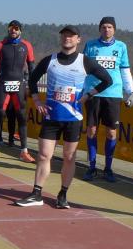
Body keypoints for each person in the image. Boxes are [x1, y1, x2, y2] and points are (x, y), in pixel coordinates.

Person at [14, 26, 112, 208]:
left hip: (73, 119)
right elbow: (32, 79)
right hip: (51, 117)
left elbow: (107, 80)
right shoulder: (50, 60)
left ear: (78, 40)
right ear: (61, 39)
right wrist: (36, 100)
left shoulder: (85, 61)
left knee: (68, 157)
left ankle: (62, 195)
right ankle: (36, 193)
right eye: (64, 35)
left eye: (71, 36)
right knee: (44, 155)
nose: (67, 38)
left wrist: (88, 95)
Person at [82, 16, 133, 182]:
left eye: (110, 27)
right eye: (104, 27)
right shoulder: (90, 45)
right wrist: (81, 91)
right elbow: (82, 69)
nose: (107, 30)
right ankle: (92, 167)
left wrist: (131, 91)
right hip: (93, 93)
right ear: (100, 29)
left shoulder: (121, 46)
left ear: (114, 29)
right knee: (91, 130)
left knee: (111, 133)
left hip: (113, 94)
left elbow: (125, 70)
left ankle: (108, 168)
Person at [0, 20, 36, 163]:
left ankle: (24, 152)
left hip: (19, 85)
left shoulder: (26, 45)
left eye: (16, 28)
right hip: (3, 84)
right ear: (8, 30)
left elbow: (32, 67)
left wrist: (32, 86)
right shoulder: (0, 45)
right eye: (11, 28)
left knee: (21, 117)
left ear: (20, 30)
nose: (13, 30)